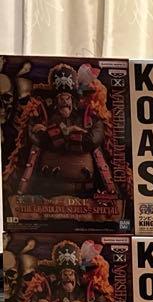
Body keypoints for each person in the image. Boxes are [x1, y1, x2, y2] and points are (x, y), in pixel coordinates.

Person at [9, 63, 116, 200]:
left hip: (86, 194)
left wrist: (56, 134)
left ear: (75, 100)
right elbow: (38, 139)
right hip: (47, 194)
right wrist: (68, 132)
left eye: (68, 96)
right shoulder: (40, 116)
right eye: (60, 96)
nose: (64, 99)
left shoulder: (91, 117)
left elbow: (93, 140)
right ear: (53, 100)